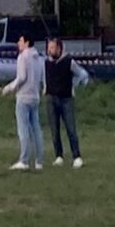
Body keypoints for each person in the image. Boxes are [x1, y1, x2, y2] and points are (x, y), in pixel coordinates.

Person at [0, 30, 45, 170]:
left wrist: (7, 89)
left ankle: (24, 160)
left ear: (26, 42)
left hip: (24, 97)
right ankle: (39, 161)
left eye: (20, 40)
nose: (18, 43)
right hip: (35, 96)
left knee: (23, 129)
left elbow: (21, 77)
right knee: (36, 128)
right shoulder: (39, 57)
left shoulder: (23, 57)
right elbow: (42, 76)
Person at [44, 33, 82, 167]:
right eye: (49, 47)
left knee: (71, 129)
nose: (50, 50)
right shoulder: (47, 62)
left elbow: (82, 75)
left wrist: (73, 85)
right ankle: (58, 155)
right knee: (54, 130)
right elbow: (44, 77)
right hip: (51, 98)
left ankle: (76, 156)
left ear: (59, 48)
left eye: (52, 47)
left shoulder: (69, 61)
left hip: (66, 99)